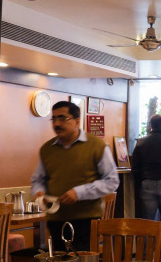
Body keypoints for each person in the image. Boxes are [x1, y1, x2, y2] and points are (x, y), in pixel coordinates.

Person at [30, 101, 119, 251]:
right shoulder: (47, 149)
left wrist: (79, 193)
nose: (56, 124)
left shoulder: (97, 146)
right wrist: (38, 192)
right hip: (56, 219)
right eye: (54, 119)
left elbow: (112, 181)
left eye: (62, 118)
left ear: (77, 121)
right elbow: (38, 179)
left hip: (86, 219)